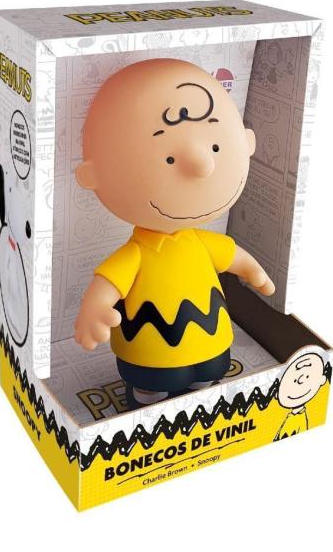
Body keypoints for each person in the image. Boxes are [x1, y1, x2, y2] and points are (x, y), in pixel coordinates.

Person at [73, 58, 274, 406]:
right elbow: (108, 283)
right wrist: (94, 311)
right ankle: (148, 396)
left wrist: (254, 271)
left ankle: (202, 387)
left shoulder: (202, 242)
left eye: (216, 147)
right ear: (94, 175)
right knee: (154, 385)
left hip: (212, 346)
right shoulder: (136, 254)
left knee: (212, 371)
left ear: (245, 142)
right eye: (169, 159)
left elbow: (234, 257)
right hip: (149, 356)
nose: (203, 166)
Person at [274, 351, 329, 441]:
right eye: (294, 380)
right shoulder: (292, 416)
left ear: (322, 380)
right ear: (277, 394)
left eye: (307, 376)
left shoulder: (299, 418)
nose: (301, 380)